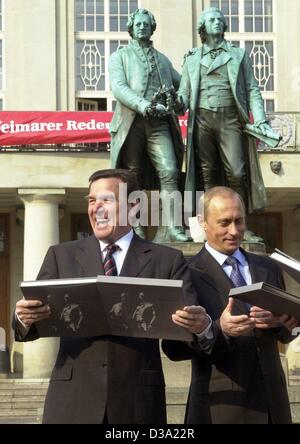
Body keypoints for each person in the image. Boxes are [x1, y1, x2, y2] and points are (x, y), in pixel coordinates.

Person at [14, 168, 210, 424]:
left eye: (106, 200)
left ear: (133, 205)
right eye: (91, 201)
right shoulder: (60, 256)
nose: (96, 208)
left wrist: (201, 327)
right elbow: (30, 327)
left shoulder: (166, 260)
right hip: (72, 401)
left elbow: (182, 339)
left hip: (138, 403)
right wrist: (24, 318)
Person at [163, 187, 299, 424]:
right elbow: (173, 349)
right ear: (203, 223)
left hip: (273, 403)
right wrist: (217, 329)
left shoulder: (267, 266)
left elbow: (285, 334)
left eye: (239, 221)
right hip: (220, 407)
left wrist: (286, 323)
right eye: (224, 222)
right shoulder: (186, 273)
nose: (234, 231)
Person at [178, 7, 279, 241]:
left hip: (229, 117)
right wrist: (175, 102)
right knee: (208, 175)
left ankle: (242, 225)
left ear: (224, 26)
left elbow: (253, 89)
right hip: (202, 118)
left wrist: (260, 118)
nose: (216, 23)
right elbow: (183, 95)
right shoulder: (192, 58)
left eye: (220, 20)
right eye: (211, 20)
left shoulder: (238, 55)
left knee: (237, 171)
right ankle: (214, 227)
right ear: (202, 28)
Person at [109, 8, 189, 242]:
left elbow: (184, 85)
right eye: (138, 24)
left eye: (146, 24)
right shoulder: (120, 56)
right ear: (131, 28)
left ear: (152, 28)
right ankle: (136, 228)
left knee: (170, 170)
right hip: (131, 122)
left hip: (159, 124)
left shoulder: (163, 60)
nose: (142, 27)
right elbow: (119, 88)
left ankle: (173, 227)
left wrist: (193, 62)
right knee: (132, 176)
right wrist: (144, 105)